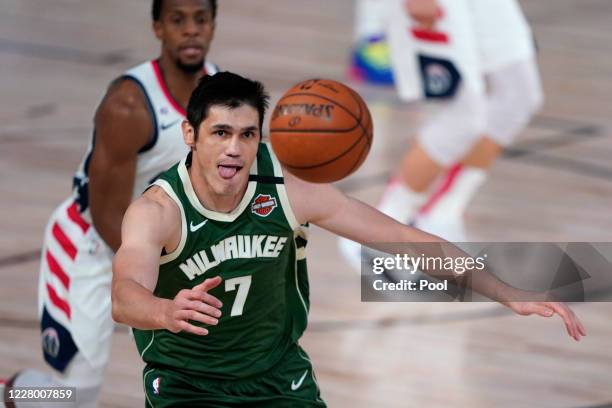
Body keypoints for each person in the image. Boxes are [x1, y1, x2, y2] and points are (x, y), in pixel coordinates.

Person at [111, 72, 585, 407]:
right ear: (191, 134)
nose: (234, 148)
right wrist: (164, 311)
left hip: (277, 377)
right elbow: (125, 294)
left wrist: (506, 292)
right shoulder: (158, 212)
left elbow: (403, 238)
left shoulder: (287, 191)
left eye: (247, 134)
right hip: (188, 385)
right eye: (220, 133)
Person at [3, 1, 218, 406]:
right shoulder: (129, 106)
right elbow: (107, 217)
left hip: (161, 249)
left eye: (201, 19)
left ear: (213, 25)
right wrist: (173, 269)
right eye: (177, 20)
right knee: (71, 397)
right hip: (91, 248)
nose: (191, 30)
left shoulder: (221, 94)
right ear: (158, 28)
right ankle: (10, 393)